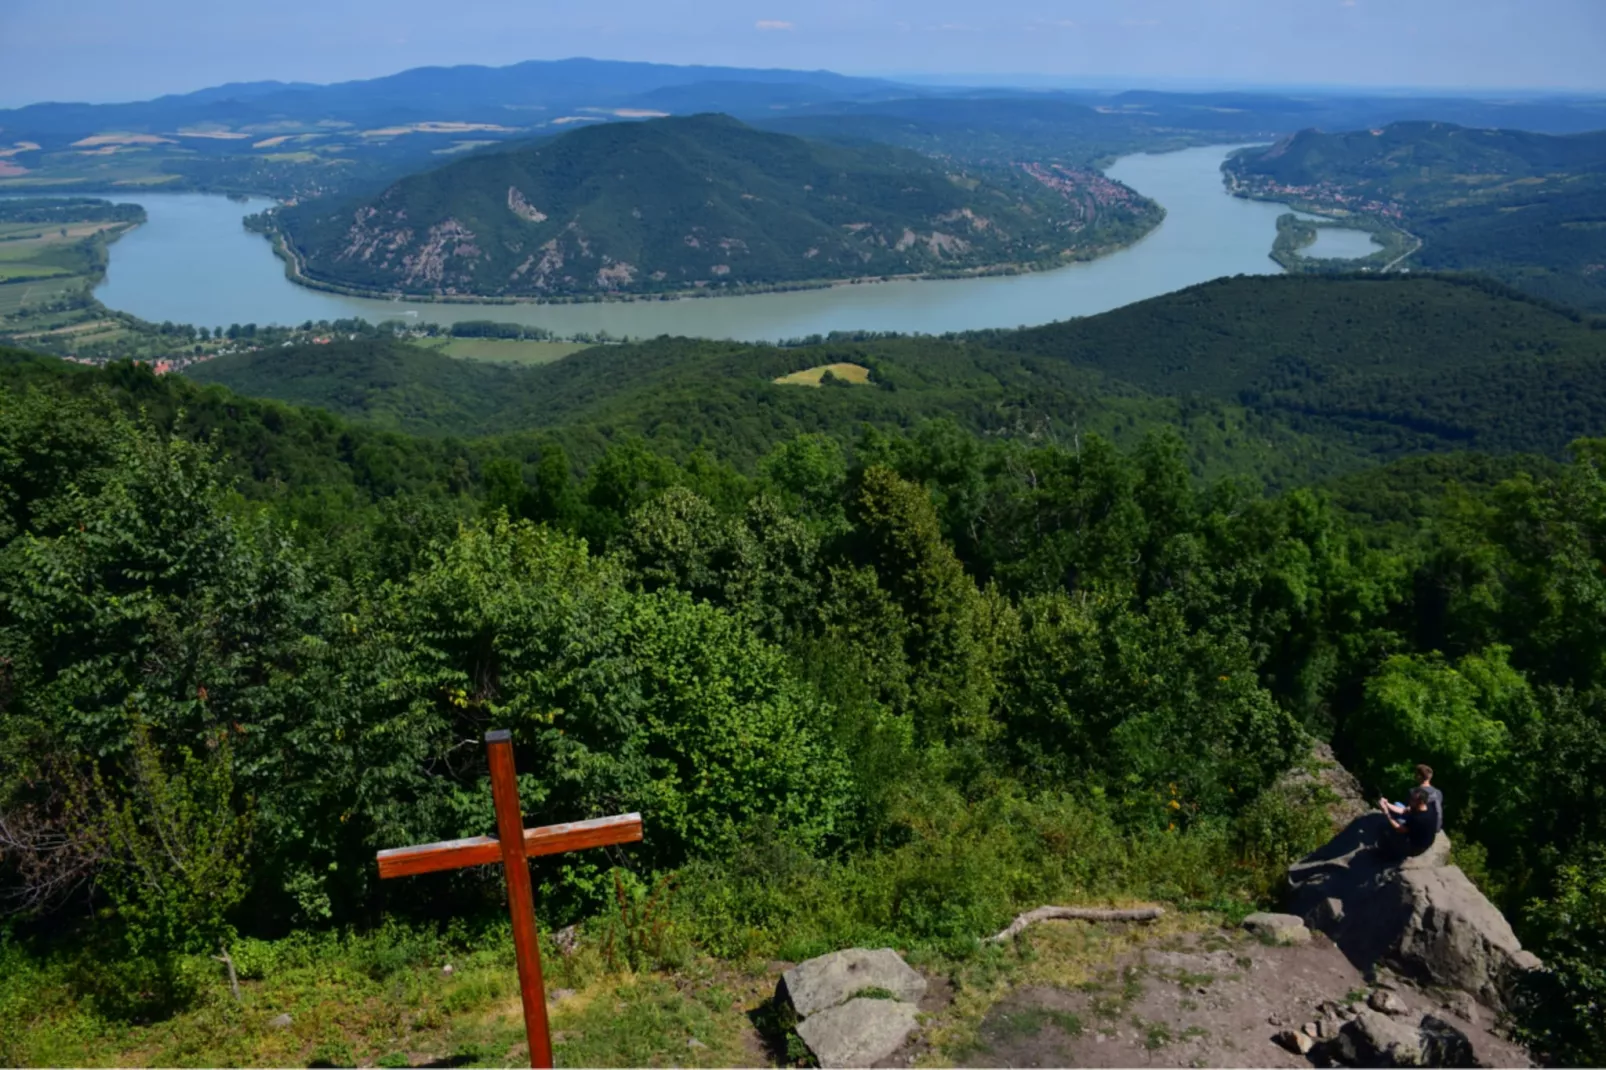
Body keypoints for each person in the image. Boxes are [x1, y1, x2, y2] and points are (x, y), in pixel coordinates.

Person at [1381, 763, 1443, 834]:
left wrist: (1386, 808)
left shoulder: (1414, 793)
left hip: (1417, 825)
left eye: (1416, 774)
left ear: (1419, 776)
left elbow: (1405, 810)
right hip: (1435, 826)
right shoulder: (1438, 792)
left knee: (1397, 804)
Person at [1380, 786, 1439, 860]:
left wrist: (1387, 814)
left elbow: (1400, 829)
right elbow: (1403, 810)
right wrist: (1387, 804)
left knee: (1388, 833)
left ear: (1420, 802)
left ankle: (1393, 855)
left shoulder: (1418, 819)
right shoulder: (1426, 806)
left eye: (1412, 800)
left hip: (1417, 846)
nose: (1410, 801)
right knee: (1397, 804)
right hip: (1421, 833)